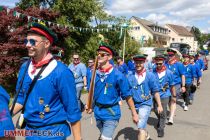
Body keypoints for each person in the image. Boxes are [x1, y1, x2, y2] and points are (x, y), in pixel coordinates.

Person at [12, 22, 81, 140]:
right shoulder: (25, 67)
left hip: (54, 133)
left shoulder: (61, 72)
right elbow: (20, 99)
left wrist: (78, 138)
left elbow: (72, 109)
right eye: (26, 41)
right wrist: (4, 116)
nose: (27, 45)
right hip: (30, 133)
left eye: (32, 41)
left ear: (46, 43)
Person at [86, 44, 138, 140]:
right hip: (98, 112)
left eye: (102, 54)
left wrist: (134, 113)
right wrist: (90, 106)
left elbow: (128, 95)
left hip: (111, 113)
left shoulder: (118, 75)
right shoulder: (93, 74)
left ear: (109, 57)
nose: (99, 56)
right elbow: (93, 93)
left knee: (105, 138)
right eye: (98, 54)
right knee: (104, 136)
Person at [127, 54, 163, 140]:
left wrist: (159, 104)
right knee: (137, 122)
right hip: (134, 104)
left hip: (145, 104)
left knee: (140, 128)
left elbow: (155, 91)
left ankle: (143, 133)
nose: (138, 64)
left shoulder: (150, 75)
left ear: (144, 62)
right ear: (134, 63)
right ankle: (146, 134)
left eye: (140, 62)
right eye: (136, 62)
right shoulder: (130, 76)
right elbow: (126, 91)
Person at [152, 55, 176, 137]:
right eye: (157, 64)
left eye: (160, 64)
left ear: (164, 63)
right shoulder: (153, 72)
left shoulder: (169, 73)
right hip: (155, 95)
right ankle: (161, 119)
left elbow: (172, 85)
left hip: (165, 95)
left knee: (163, 111)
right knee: (156, 110)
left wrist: (174, 96)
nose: (158, 65)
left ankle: (161, 129)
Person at [165, 49, 186, 124]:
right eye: (168, 55)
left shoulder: (179, 64)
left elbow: (183, 75)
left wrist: (183, 86)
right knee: (168, 101)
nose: (169, 56)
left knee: (173, 100)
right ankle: (172, 112)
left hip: (176, 85)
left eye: (171, 55)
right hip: (166, 86)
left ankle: (171, 118)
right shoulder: (165, 64)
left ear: (174, 56)